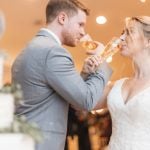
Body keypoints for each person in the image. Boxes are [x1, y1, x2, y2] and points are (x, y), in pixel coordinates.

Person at [11, 0, 112, 150]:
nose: (83, 32)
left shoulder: (32, 47)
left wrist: (84, 74)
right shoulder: (53, 52)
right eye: (80, 24)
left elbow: (66, 98)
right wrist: (101, 60)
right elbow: (86, 101)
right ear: (62, 18)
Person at [89, 16, 150, 150]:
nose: (121, 38)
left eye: (129, 32)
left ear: (147, 41)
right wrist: (100, 60)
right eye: (123, 32)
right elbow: (84, 102)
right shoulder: (116, 86)